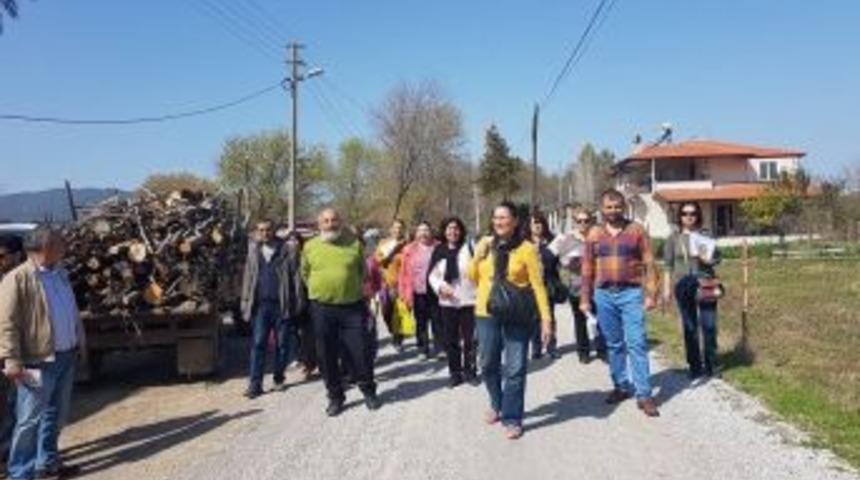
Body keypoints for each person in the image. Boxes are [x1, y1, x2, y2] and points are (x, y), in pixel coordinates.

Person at [0, 227, 85, 480]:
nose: (64, 245)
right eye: (60, 242)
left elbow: (70, 309)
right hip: (36, 362)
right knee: (29, 421)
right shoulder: (16, 279)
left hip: (65, 357)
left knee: (55, 416)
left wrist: (80, 340)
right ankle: (20, 474)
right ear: (45, 247)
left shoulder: (60, 274)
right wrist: (11, 360)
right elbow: (6, 323)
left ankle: (47, 465)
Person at [468, 202, 552, 439]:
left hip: (517, 314)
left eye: (504, 217)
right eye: (495, 218)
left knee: (515, 368)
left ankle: (512, 417)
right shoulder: (485, 245)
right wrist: (478, 255)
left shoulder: (527, 249)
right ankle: (497, 403)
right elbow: (473, 277)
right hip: (486, 313)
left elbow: (538, 285)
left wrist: (546, 319)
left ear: (515, 221)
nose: (499, 222)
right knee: (487, 364)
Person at [580, 189, 661, 417]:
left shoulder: (636, 230)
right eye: (609, 207)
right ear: (602, 209)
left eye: (617, 207)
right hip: (603, 295)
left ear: (624, 207)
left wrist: (651, 294)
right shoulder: (594, 233)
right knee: (614, 344)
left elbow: (649, 262)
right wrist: (585, 298)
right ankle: (621, 386)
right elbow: (587, 268)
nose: (613, 211)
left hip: (631, 294)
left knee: (636, 343)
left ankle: (644, 394)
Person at [302, 208, 380, 417]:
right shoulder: (309, 247)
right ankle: (335, 397)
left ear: (341, 222)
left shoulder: (354, 245)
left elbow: (363, 275)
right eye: (325, 221)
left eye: (334, 220)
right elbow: (305, 273)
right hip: (322, 308)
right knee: (326, 355)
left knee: (360, 351)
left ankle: (368, 391)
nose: (330, 224)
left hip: (352, 308)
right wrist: (320, 290)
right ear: (319, 225)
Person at [239, 220, 305, 399]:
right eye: (261, 230)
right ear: (257, 232)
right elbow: (248, 277)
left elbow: (296, 277)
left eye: (268, 229)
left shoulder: (287, 250)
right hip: (261, 306)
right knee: (258, 343)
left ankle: (278, 378)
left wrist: (298, 301)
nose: (264, 233)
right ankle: (255, 384)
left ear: (274, 231)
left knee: (282, 345)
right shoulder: (254, 251)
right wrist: (245, 302)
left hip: (282, 305)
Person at [663, 202, 721, 380]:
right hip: (683, 286)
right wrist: (666, 289)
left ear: (698, 216)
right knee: (690, 327)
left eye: (693, 213)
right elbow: (668, 266)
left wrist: (707, 259)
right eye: (685, 213)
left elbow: (717, 258)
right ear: (679, 216)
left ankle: (711, 364)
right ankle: (695, 366)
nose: (689, 217)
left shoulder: (706, 235)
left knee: (709, 326)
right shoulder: (673, 238)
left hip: (706, 284)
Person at [549, 205, 606, 364]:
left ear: (591, 221)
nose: (583, 224)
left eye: (586, 220)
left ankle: (602, 348)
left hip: (598, 286)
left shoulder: (597, 237)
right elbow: (547, 257)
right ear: (574, 222)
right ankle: (583, 351)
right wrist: (559, 273)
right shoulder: (564, 239)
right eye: (579, 221)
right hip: (575, 287)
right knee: (580, 320)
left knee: (602, 318)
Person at [428, 217, 477, 387]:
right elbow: (432, 275)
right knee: (451, 340)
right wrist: (440, 287)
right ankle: (455, 373)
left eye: (456, 228)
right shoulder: (438, 251)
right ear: (444, 231)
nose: (453, 232)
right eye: (449, 228)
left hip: (469, 300)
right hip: (448, 303)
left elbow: (479, 270)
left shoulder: (469, 248)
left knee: (470, 339)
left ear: (461, 230)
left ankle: (470, 370)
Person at [397, 221, 439, 359]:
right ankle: (422, 348)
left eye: (426, 230)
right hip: (417, 290)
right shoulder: (409, 249)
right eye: (420, 230)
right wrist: (403, 292)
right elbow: (403, 273)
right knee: (421, 321)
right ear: (416, 233)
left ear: (431, 232)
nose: (423, 233)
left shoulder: (438, 247)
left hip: (435, 290)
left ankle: (439, 347)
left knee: (437, 319)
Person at [527, 211, 561, 360]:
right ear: (529, 226)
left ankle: (551, 346)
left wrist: (543, 252)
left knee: (549, 316)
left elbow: (556, 261)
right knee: (534, 318)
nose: (537, 226)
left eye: (540, 223)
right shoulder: (525, 242)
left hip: (548, 283)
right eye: (534, 223)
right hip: (530, 286)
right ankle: (536, 347)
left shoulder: (552, 241)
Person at [375, 220, 408, 349]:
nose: (397, 230)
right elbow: (378, 261)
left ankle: (398, 338)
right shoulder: (383, 243)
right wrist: (394, 249)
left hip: (402, 284)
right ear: (390, 229)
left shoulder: (407, 245)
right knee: (386, 312)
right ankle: (393, 331)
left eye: (400, 228)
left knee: (399, 312)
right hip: (386, 284)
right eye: (395, 228)